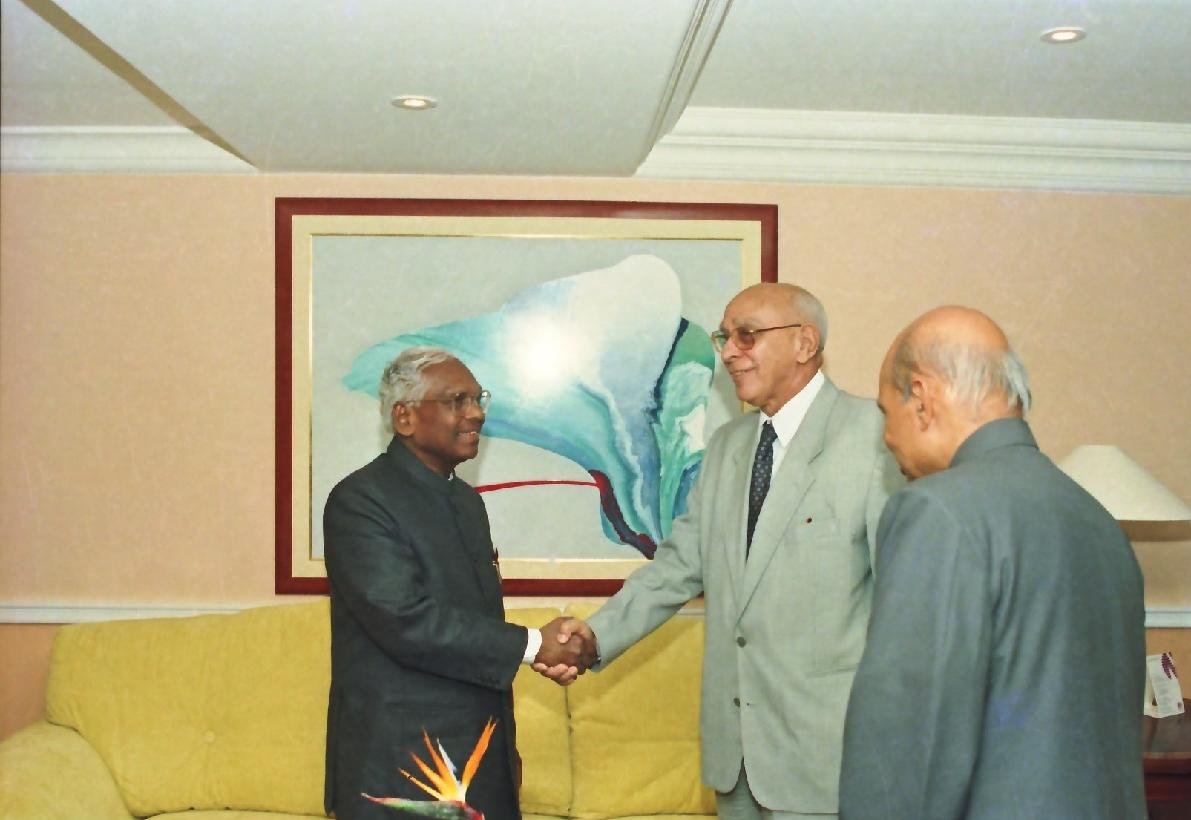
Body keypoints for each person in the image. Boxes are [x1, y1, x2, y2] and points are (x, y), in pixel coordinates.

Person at [541, 283, 903, 819]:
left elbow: (907, 601)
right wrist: (594, 637)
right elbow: (677, 567)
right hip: (734, 759)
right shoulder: (727, 447)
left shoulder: (876, 438)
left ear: (805, 343)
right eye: (724, 337)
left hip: (828, 756)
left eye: (747, 335)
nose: (729, 352)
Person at [839, 306, 1146, 820]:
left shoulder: (936, 511)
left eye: (885, 412)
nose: (886, 437)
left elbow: (908, 747)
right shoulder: (1097, 520)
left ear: (922, 397)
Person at [323, 347, 588, 820]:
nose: (477, 413)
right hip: (401, 766)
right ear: (404, 417)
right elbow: (406, 621)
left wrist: (504, 750)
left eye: (478, 398)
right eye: (456, 401)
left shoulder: (467, 502)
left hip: (479, 754)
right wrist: (533, 645)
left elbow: (476, 624)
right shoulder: (360, 501)